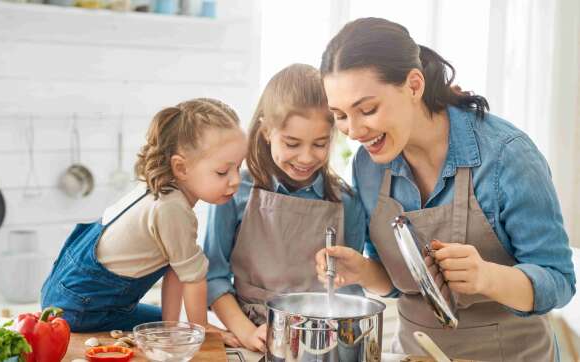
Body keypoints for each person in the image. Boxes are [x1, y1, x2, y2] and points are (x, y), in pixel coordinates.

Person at [314, 17, 576, 361]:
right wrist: (363, 272)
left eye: (367, 110)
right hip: (414, 354)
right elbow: (398, 283)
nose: (354, 130)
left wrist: (487, 277)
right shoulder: (368, 166)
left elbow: (559, 281)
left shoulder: (506, 156)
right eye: (341, 115)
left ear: (413, 85)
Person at [41, 98, 247, 332]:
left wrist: (171, 329)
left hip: (66, 296)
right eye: (222, 171)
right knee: (169, 329)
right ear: (181, 167)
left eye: (238, 167)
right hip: (82, 308)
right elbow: (194, 279)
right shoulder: (173, 208)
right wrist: (202, 331)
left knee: (168, 325)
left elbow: (178, 269)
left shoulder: (158, 187)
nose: (236, 180)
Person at [204, 63, 367, 352]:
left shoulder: (347, 203)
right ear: (267, 131)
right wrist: (245, 332)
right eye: (292, 143)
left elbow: (349, 289)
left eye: (320, 144)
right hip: (250, 336)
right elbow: (213, 276)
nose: (306, 157)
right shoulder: (235, 191)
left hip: (320, 342)